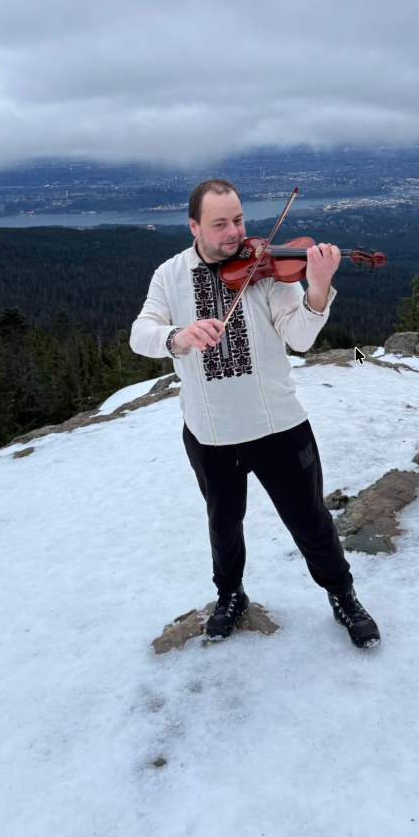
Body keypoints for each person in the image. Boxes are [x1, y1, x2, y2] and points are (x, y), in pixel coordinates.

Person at [130, 178, 380, 649]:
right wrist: (177, 337)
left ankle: (342, 594)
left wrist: (319, 288)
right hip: (210, 433)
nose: (234, 233)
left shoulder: (265, 270)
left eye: (239, 220)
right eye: (220, 223)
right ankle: (230, 595)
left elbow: (301, 337)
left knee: (310, 520)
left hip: (278, 426)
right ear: (194, 226)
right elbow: (140, 333)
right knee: (223, 524)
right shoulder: (170, 275)